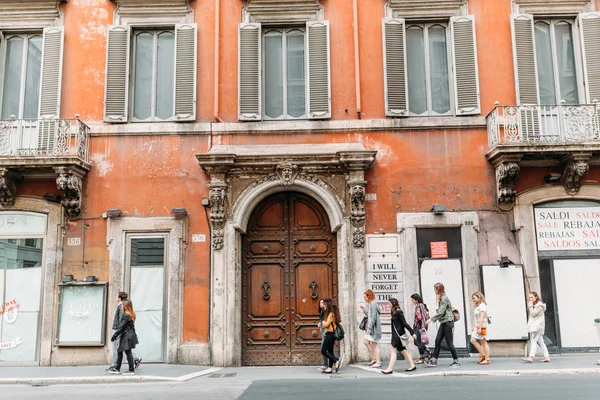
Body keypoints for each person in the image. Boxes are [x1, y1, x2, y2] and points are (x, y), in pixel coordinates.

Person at [425, 282, 461, 368]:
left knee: (449, 343)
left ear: (439, 289)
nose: (434, 291)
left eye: (435, 289)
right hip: (443, 322)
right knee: (437, 340)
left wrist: (431, 319)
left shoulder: (445, 298)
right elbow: (440, 310)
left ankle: (456, 361)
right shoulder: (441, 298)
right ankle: (434, 360)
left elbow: (441, 312)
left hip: (448, 322)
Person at [107, 292, 141, 371]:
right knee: (124, 349)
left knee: (119, 349)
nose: (115, 297)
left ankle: (116, 366)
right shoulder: (126, 309)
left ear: (119, 298)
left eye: (116, 296)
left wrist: (116, 334)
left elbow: (122, 322)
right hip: (124, 332)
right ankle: (132, 362)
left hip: (122, 332)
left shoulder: (123, 308)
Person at [382, 298, 417, 374]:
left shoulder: (399, 312)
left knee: (393, 351)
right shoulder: (394, 312)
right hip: (396, 334)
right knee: (404, 351)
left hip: (398, 335)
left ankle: (390, 368)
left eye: (389, 304)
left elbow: (405, 323)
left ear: (393, 303)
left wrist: (412, 333)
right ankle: (412, 365)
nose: (388, 305)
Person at [523, 291, 550, 363]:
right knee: (540, 341)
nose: (530, 299)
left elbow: (533, 314)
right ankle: (546, 356)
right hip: (534, 326)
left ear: (536, 297)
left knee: (534, 341)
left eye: (532, 297)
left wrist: (530, 306)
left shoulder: (540, 305)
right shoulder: (535, 304)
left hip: (537, 326)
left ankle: (531, 357)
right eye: (529, 297)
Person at [360, 289, 381, 368]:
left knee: (374, 344)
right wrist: (364, 310)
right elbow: (370, 316)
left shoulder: (373, 304)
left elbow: (373, 318)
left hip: (373, 329)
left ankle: (378, 362)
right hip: (372, 328)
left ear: (369, 296)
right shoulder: (371, 304)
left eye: (365, 297)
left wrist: (369, 329)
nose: (364, 298)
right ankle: (375, 358)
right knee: (367, 342)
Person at [320, 298, 341, 374]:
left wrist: (322, 322)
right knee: (330, 351)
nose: (323, 305)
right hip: (329, 333)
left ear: (327, 305)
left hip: (330, 334)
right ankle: (329, 368)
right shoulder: (328, 313)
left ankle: (336, 361)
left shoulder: (331, 314)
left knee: (323, 350)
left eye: (324, 304)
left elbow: (326, 324)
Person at [411, 293, 432, 364]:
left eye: (413, 300)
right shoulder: (417, 306)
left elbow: (422, 316)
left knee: (418, 342)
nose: (412, 301)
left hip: (420, 326)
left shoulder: (421, 305)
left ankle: (422, 357)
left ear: (416, 300)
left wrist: (423, 327)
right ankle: (429, 351)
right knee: (416, 342)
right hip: (417, 326)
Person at [470, 291, 490, 365]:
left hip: (482, 326)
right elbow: (477, 318)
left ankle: (486, 359)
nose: (473, 299)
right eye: (472, 298)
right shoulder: (478, 306)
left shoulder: (482, 306)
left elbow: (482, 317)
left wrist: (480, 327)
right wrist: (475, 327)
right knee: (474, 340)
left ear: (479, 297)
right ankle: (483, 356)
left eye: (474, 298)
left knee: (483, 342)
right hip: (478, 325)